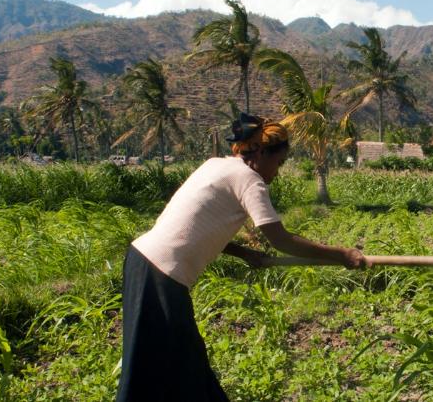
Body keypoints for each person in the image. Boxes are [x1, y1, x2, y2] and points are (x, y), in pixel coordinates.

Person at [116, 113, 366, 402]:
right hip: (161, 276)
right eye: (279, 162)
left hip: (142, 262)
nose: (277, 172)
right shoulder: (250, 180)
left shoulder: (216, 166)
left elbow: (194, 227)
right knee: (159, 370)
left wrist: (243, 252)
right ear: (260, 152)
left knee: (176, 365)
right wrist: (342, 255)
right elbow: (281, 239)